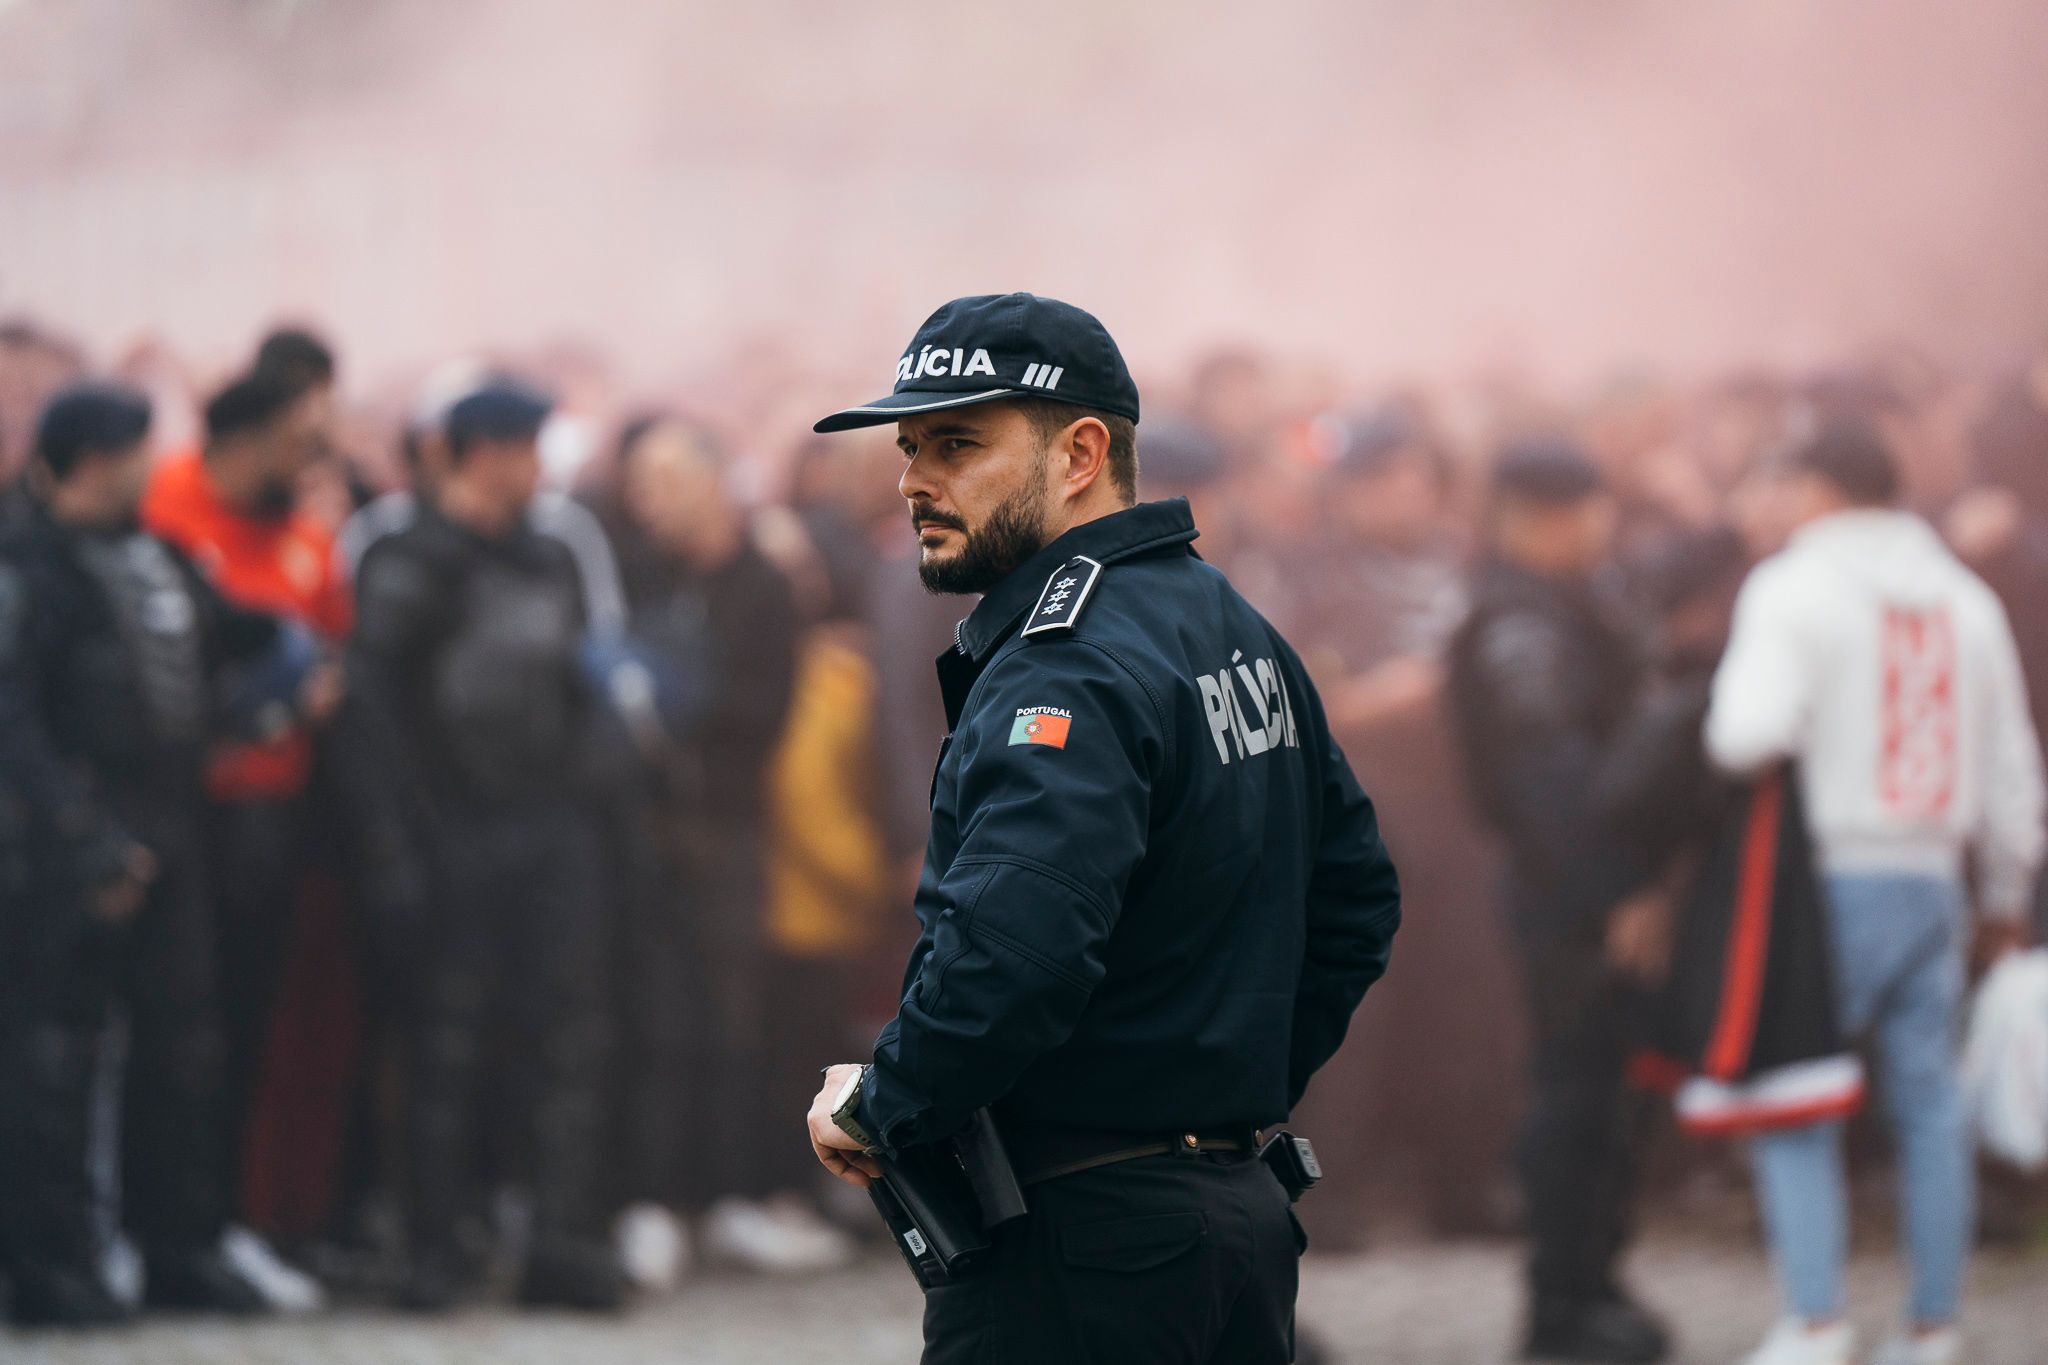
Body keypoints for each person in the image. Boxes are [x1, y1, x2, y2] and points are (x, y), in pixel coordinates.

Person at [802, 293, 1401, 1363]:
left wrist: (882, 1103)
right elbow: (1354, 903)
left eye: (955, 444)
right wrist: (1218, 1094)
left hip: (1085, 1249)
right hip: (1226, 1221)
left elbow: (1013, 953)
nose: (910, 480)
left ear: (1079, 451)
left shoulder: (1066, 661)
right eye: (907, 448)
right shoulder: (1224, 618)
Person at [1704, 420, 2045, 1365]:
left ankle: (1815, 1320)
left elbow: (1746, 733)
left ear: (1816, 490)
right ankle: (1933, 1326)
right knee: (1931, 1107)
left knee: (1797, 1093)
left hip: (1822, 882)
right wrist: (2007, 891)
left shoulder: (1789, 587)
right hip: (1935, 880)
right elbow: (2014, 764)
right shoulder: (1965, 599)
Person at [0, 381, 285, 1323]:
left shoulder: (161, 554)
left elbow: (228, 642)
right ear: (92, 458)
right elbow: (14, 719)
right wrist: (84, 837)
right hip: (70, 838)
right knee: (57, 1058)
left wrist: (282, 664)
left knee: (183, 1049)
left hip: (176, 821)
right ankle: (53, 1261)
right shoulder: (25, 561)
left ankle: (180, 1245)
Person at [345, 379, 625, 1312]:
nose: (540, 469)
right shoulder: (409, 559)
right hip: (449, 831)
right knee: (443, 1048)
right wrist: (394, 848)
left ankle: (558, 1244)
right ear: (484, 452)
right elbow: (372, 715)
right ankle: (433, 1248)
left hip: (548, 831)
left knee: (566, 1043)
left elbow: (584, 683)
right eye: (528, 448)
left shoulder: (550, 555)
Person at [1444, 438, 1671, 1363]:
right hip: (1571, 893)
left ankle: (1595, 1282)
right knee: (1574, 1097)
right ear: (1540, 517)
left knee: (1614, 1097)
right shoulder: (1518, 625)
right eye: (1586, 510)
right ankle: (1562, 1302)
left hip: (1599, 886)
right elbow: (1553, 785)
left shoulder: (1568, 602)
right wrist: (1617, 897)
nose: (1600, 528)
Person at [601, 414, 824, 1274]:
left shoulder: (763, 584)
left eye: (662, 480)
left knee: (734, 1017)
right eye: (638, 483)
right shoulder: (637, 574)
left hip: (729, 830)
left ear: (710, 480)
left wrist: (671, 704)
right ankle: (651, 1198)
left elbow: (759, 711)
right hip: (644, 830)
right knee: (650, 1017)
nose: (645, 499)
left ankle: (731, 1194)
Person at [140, 368, 347, 1283]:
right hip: (184, 814)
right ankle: (167, 1228)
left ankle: (234, 1219)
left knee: (255, 1024)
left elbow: (336, 642)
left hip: (276, 814)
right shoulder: (163, 509)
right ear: (249, 438)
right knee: (180, 1030)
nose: (312, 463)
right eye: (299, 441)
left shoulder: (306, 536)